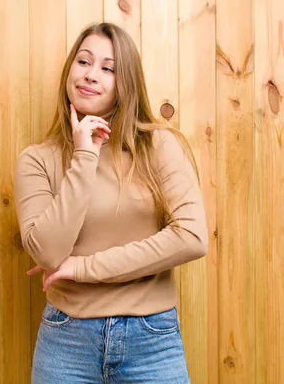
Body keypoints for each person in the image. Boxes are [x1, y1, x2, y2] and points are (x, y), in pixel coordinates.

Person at [14, 22, 208, 384]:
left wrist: (82, 268)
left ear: (125, 84)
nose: (91, 75)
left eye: (108, 68)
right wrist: (85, 155)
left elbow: (192, 237)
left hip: (152, 342)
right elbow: (48, 252)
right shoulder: (37, 160)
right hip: (66, 342)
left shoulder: (160, 147)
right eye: (83, 62)